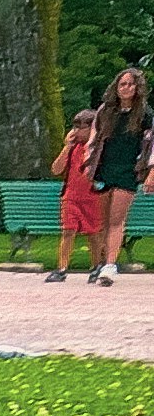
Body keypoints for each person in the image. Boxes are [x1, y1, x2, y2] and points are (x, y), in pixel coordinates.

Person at [85, 67, 152, 282]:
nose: (126, 88)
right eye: (122, 84)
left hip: (128, 170)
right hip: (105, 168)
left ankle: (110, 265)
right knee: (103, 221)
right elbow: (93, 140)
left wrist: (151, 172)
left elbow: (152, 146)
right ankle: (103, 262)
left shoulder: (145, 114)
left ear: (138, 88)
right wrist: (89, 164)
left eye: (131, 84)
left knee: (116, 219)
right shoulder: (106, 111)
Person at [52, 108, 106, 282]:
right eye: (74, 127)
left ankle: (96, 266)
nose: (76, 132)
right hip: (71, 196)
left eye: (80, 128)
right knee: (68, 231)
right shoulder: (73, 148)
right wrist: (67, 146)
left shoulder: (98, 148)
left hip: (93, 197)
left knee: (94, 234)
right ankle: (61, 268)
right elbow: (56, 169)